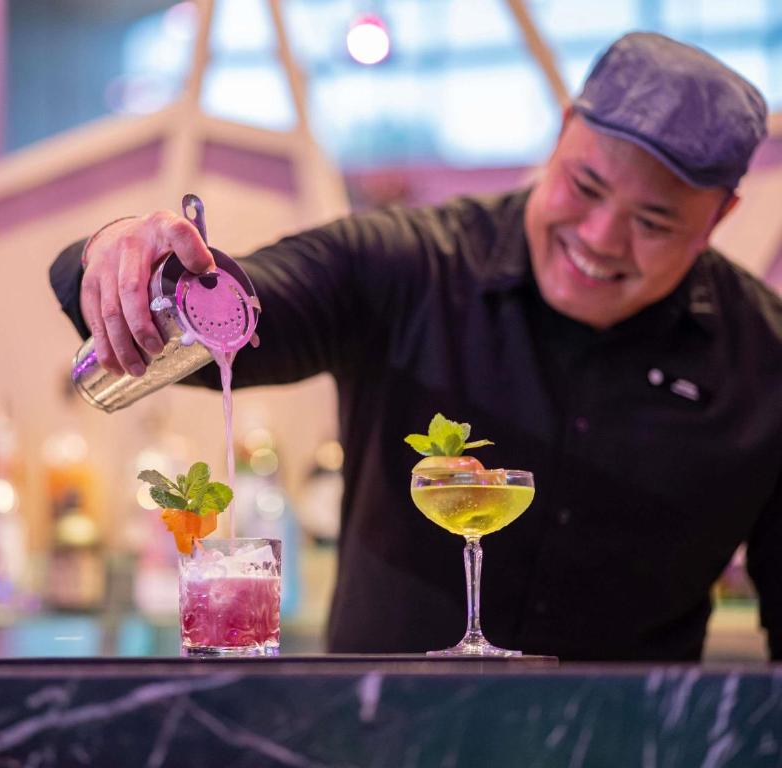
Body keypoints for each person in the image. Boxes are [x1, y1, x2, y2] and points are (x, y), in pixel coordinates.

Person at [50, 32, 782, 661]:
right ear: (560, 134)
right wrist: (123, 259)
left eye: (653, 223)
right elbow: (236, 310)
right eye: (584, 187)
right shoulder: (409, 264)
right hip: (377, 746)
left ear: (721, 215)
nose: (599, 240)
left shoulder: (764, 361)